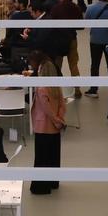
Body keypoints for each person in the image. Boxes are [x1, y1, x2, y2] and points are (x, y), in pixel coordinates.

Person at [29, 59, 67, 195]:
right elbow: (62, 105)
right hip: (55, 128)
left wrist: (55, 120)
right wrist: (60, 120)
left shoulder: (41, 89)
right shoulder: (57, 87)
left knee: (41, 158)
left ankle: (41, 187)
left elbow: (47, 110)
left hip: (43, 127)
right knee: (53, 156)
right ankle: (53, 182)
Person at [50, 0, 85, 99]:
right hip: (72, 38)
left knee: (57, 65)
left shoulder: (56, 8)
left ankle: (56, 90)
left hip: (59, 39)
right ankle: (77, 90)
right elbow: (81, 26)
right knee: (73, 65)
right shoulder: (76, 7)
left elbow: (51, 25)